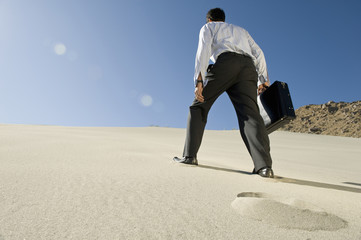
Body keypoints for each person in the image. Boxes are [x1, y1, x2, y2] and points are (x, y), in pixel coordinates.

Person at [173, 8, 274, 178]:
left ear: (209, 20)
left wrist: (199, 80)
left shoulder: (209, 28)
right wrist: (263, 80)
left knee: (198, 106)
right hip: (249, 68)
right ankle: (264, 167)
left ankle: (189, 156)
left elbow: (203, 50)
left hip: (225, 63)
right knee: (250, 115)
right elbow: (259, 53)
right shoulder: (242, 31)